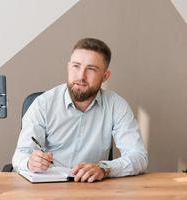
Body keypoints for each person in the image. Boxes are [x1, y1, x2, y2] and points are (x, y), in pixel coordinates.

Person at [12, 38, 148, 183]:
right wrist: (29, 162)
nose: (81, 76)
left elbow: (138, 156)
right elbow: (20, 155)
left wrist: (105, 169)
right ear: (68, 67)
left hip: (90, 188)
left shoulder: (116, 105)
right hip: (47, 186)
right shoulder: (43, 104)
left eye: (91, 69)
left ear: (105, 76)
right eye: (76, 66)